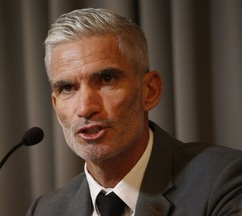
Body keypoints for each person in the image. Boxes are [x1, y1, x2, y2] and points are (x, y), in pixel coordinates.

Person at [27, 8, 242, 216]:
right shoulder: (46, 210)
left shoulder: (224, 181)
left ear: (150, 91)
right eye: (67, 88)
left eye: (107, 79)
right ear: (56, 106)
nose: (85, 108)